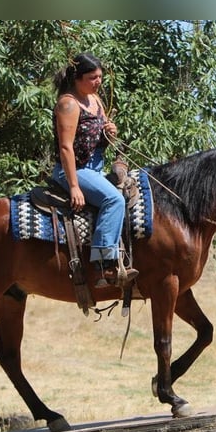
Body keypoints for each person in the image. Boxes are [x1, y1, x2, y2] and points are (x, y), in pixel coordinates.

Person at [51, 52, 138, 288]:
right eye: (92, 77)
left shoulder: (95, 100)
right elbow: (66, 148)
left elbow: (97, 130)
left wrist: (110, 130)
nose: (98, 81)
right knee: (114, 201)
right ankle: (104, 265)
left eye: (99, 76)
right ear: (77, 78)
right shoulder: (68, 104)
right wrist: (74, 186)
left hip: (96, 168)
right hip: (75, 169)